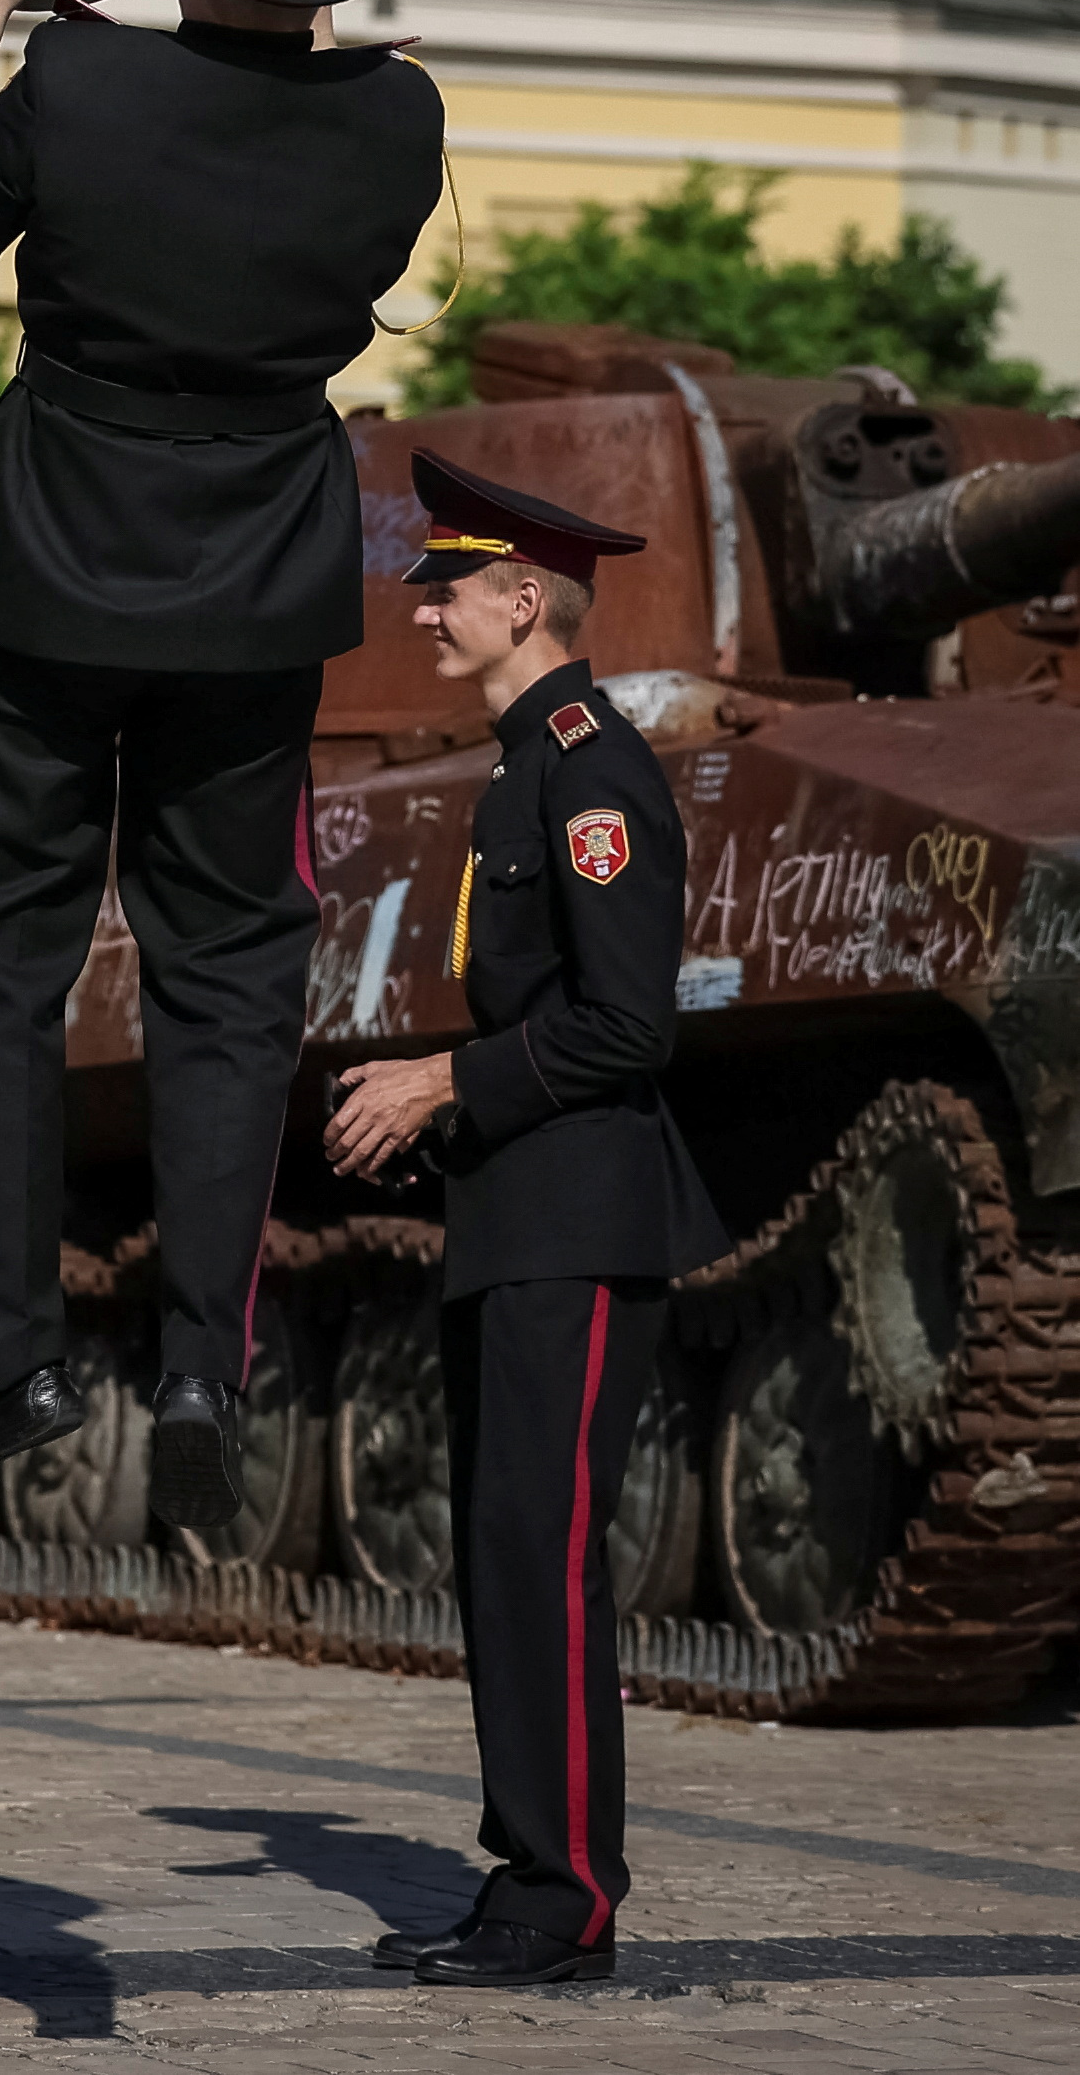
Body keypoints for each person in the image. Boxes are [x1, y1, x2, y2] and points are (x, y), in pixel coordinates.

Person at [0, 0, 444, 1529]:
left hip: (51, 572)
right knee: (226, 981)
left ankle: (5, 1359)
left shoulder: (82, 74)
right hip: (257, 591)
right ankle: (206, 1357)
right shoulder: (398, 119)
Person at [324, 451, 728, 1988]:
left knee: (540, 1553)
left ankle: (565, 1894)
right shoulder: (525, 767)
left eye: (447, 583)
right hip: (521, 1214)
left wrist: (440, 1077)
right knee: (502, 1547)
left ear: (519, 598)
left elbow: (627, 1027)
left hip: (576, 1218)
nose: (421, 604)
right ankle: (529, 1877)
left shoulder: (591, 768)